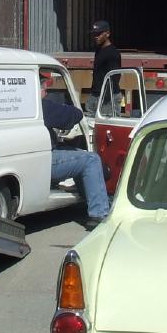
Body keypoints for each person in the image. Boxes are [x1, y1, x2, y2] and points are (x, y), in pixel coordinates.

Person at [41, 79, 110, 228]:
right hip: (44, 161)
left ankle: (90, 200)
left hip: (28, 159)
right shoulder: (41, 106)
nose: (46, 93)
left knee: (79, 155)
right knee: (91, 160)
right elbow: (74, 115)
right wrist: (69, 108)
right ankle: (99, 213)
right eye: (44, 89)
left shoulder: (15, 106)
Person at [87, 19, 121, 114]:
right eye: (94, 34)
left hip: (108, 98)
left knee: (107, 122)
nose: (96, 37)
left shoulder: (113, 53)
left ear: (108, 34)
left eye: (99, 34)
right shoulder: (99, 49)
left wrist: (105, 98)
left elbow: (115, 77)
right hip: (95, 95)